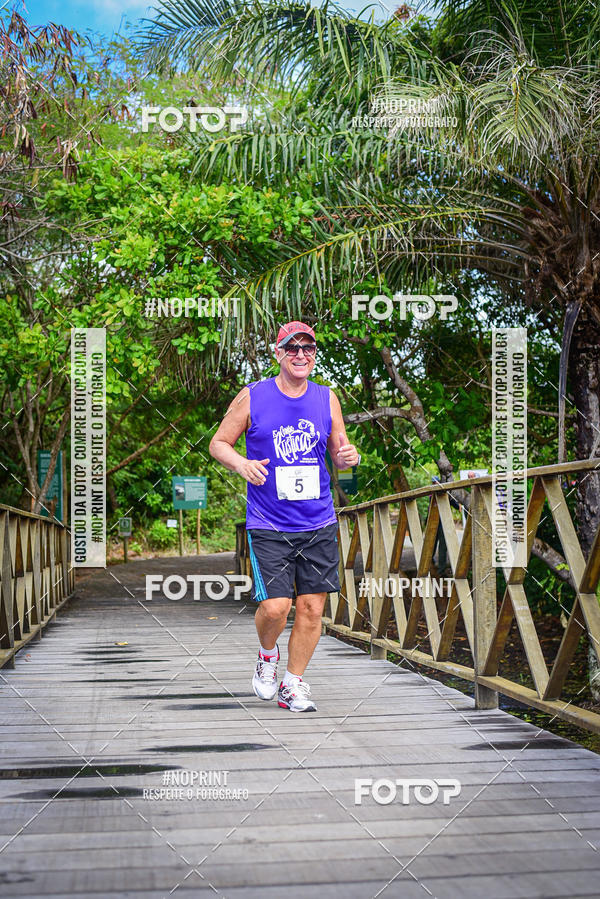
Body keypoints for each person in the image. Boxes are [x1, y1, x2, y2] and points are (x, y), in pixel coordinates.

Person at [209, 321, 360, 712]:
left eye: (308, 349)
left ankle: (292, 685)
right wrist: (241, 464)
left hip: (318, 519)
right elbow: (218, 443)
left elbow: (343, 454)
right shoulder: (253, 396)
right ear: (277, 353)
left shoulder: (327, 398)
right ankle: (267, 654)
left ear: (314, 355)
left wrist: (350, 459)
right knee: (276, 607)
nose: (300, 355)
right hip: (269, 521)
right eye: (292, 348)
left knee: (312, 607)